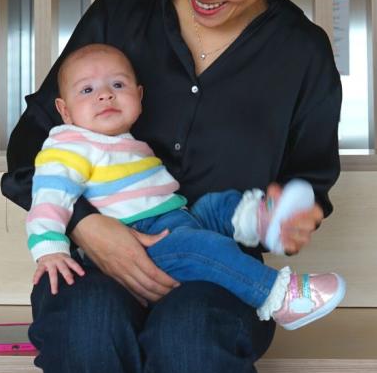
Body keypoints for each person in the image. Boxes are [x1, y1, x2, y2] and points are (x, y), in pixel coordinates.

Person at [2, 0, 342, 373]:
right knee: (84, 327)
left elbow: (312, 181)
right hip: (92, 262)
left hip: (215, 272)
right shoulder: (121, 13)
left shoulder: (301, 54)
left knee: (191, 341)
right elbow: (30, 149)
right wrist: (87, 224)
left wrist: (296, 213)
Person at [27, 43, 346, 330]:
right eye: (87, 90)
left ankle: (262, 221)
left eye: (118, 85)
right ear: (64, 111)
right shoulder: (68, 146)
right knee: (202, 248)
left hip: (176, 217)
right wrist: (49, 249)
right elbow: (49, 197)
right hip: (141, 241)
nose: (105, 94)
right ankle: (279, 297)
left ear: (138, 96)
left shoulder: (125, 141)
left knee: (217, 205)